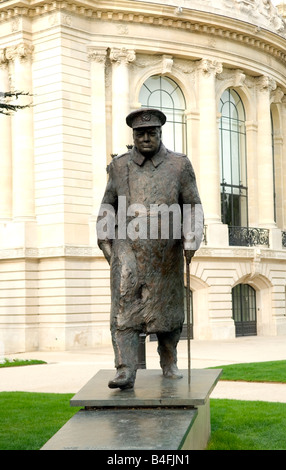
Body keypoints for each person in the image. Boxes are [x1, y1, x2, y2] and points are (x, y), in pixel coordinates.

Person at [97, 108, 204, 389]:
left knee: (168, 311)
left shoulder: (180, 165)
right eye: (140, 133)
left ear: (160, 133)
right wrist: (106, 241)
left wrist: (191, 237)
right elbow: (108, 204)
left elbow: (192, 205)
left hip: (166, 251)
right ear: (133, 135)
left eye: (151, 132)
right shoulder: (119, 166)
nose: (145, 137)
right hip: (127, 249)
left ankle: (169, 361)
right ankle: (125, 369)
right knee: (123, 310)